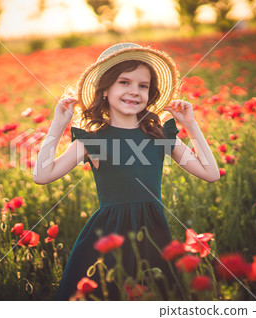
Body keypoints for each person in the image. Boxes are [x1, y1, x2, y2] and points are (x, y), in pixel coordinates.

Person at [32, 43, 220, 301]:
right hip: (109, 238)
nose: (134, 91)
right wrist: (57, 125)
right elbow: (42, 175)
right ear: (105, 89)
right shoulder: (93, 141)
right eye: (124, 82)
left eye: (143, 86)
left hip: (154, 235)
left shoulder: (159, 136)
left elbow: (211, 173)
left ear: (150, 93)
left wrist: (191, 125)